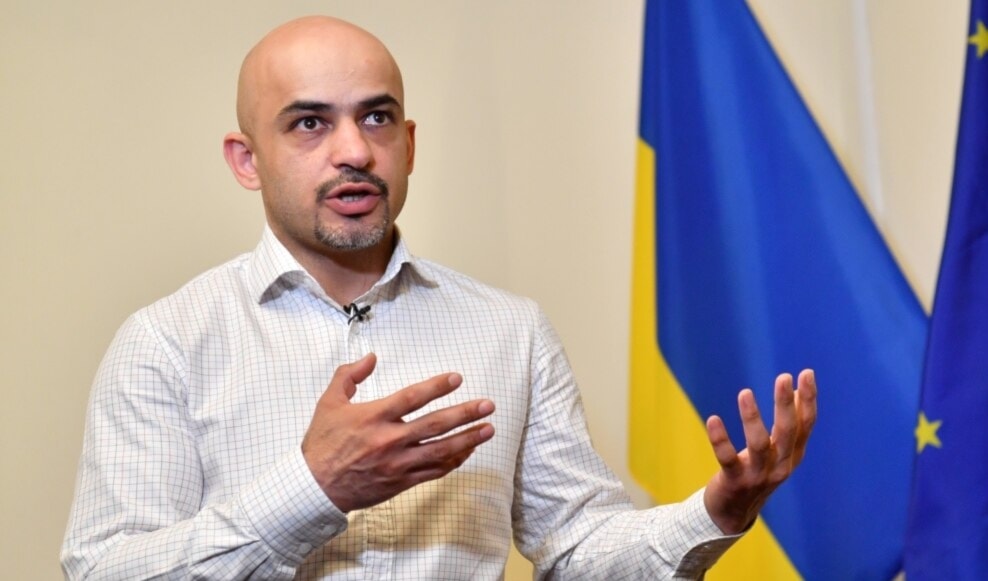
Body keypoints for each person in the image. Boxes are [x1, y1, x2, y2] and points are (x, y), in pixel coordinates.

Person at [61, 15, 817, 580]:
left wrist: (716, 511)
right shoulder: (166, 341)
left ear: (410, 143)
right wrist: (313, 487)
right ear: (246, 160)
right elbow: (104, 571)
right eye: (309, 123)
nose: (354, 150)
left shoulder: (509, 331)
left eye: (376, 117)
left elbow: (580, 547)